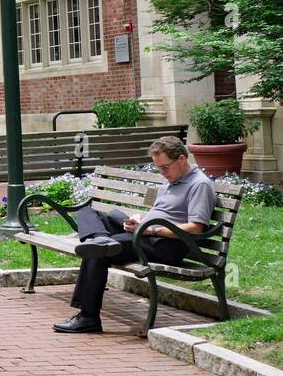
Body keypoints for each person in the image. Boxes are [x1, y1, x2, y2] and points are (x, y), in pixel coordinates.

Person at [54, 136, 217, 334]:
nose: (162, 173)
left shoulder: (199, 185)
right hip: (146, 233)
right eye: (159, 168)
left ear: (182, 159)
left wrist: (151, 229)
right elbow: (162, 212)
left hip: (165, 244)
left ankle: (88, 317)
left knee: (98, 251)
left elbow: (196, 228)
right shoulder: (170, 181)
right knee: (88, 213)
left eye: (165, 167)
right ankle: (101, 239)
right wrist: (140, 218)